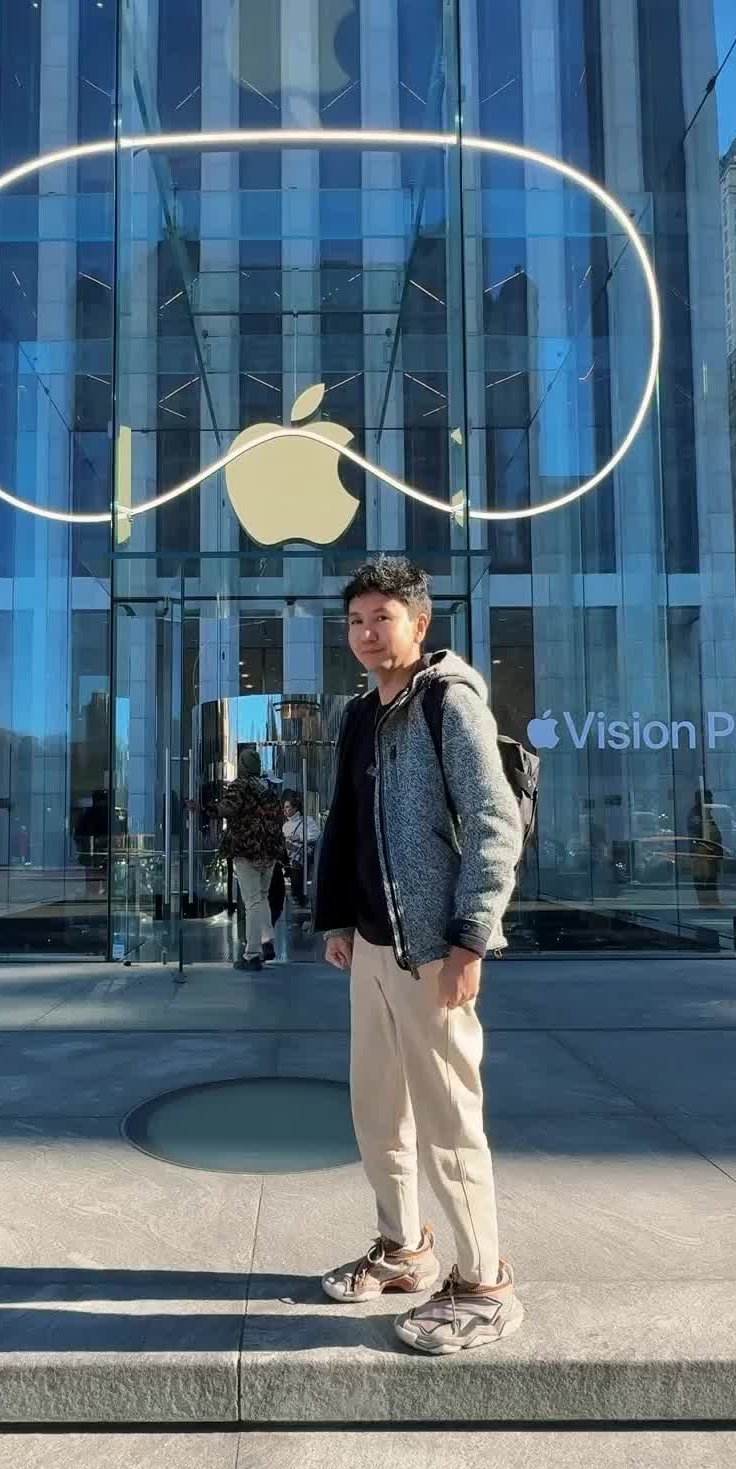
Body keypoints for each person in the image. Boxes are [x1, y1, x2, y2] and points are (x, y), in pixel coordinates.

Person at [313, 555, 525, 1356]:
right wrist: (336, 918)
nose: (369, 633)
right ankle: (405, 1250)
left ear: (419, 623)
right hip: (371, 945)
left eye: (383, 618)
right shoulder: (362, 712)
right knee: (379, 1114)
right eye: (357, 621)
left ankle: (486, 1284)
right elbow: (345, 821)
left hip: (434, 951)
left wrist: (473, 938)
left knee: (448, 1122)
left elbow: (494, 824)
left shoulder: (448, 702)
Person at [218, 748, 287, 970]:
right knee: (262, 897)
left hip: (247, 849)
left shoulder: (240, 785)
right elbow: (277, 815)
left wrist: (202, 806)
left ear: (242, 765)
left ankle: (252, 954)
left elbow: (228, 808)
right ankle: (267, 942)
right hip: (269, 850)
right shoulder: (269, 787)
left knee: (252, 902)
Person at [282, 791, 320, 905]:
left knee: (297, 862)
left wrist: (299, 837)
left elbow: (316, 834)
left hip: (302, 855)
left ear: (295, 807)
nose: (285, 810)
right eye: (284, 807)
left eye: (287, 807)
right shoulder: (285, 826)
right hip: (291, 856)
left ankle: (299, 894)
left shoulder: (307, 820)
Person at [688, 788, 724, 908]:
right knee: (703, 878)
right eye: (709, 798)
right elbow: (696, 835)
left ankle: (711, 901)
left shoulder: (705, 813)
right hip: (702, 852)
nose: (712, 801)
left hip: (710, 852)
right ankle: (705, 902)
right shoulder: (697, 814)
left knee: (710, 877)